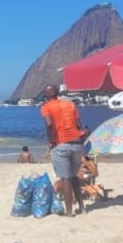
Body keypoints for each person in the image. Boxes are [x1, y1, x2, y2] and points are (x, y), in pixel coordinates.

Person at [40, 84, 86, 216]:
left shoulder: (46, 107)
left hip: (61, 144)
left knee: (65, 178)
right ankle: (82, 207)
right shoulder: (70, 104)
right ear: (57, 93)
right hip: (77, 143)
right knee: (74, 176)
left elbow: (49, 124)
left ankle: (69, 212)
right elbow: (78, 124)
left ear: (46, 95)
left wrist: (51, 141)